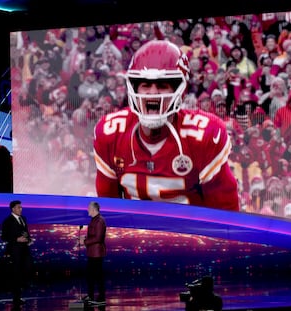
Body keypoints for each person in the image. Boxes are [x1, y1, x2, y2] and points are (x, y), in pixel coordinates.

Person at [93, 40, 239, 210]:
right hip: (135, 233)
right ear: (133, 88)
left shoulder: (204, 135)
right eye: (145, 85)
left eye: (162, 85)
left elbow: (225, 217)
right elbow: (109, 211)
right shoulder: (111, 133)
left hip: (190, 234)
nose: (153, 93)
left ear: (180, 91)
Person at [1, 200, 33, 308]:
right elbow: (4, 236)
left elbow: (26, 232)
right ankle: (16, 298)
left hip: (25, 250)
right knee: (16, 274)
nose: (21, 209)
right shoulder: (7, 221)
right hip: (15, 251)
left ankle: (19, 294)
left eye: (21, 207)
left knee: (25, 271)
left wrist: (29, 239)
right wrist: (16, 239)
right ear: (13, 209)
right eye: (19, 207)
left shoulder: (23, 219)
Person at [80, 201, 107, 305]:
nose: (87, 210)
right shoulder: (94, 220)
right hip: (92, 252)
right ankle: (90, 296)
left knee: (98, 276)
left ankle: (101, 298)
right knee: (90, 275)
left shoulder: (100, 221)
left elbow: (98, 238)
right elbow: (93, 236)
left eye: (88, 208)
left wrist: (85, 241)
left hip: (97, 253)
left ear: (93, 209)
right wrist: (85, 239)